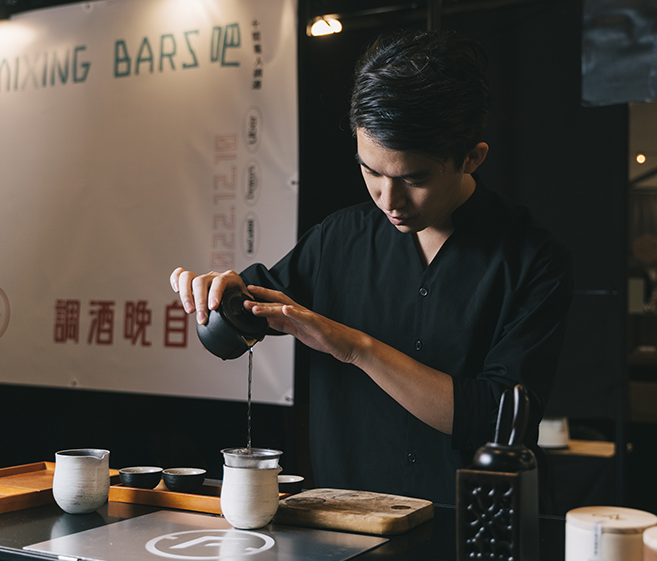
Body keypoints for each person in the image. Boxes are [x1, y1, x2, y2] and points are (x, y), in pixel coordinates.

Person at [170, 30, 573, 505]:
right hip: (348, 524)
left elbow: (498, 419)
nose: (388, 200)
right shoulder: (337, 239)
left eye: (413, 179)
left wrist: (354, 347)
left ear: (471, 157)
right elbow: (245, 316)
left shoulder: (533, 259)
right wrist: (217, 294)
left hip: (472, 532)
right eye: (371, 172)